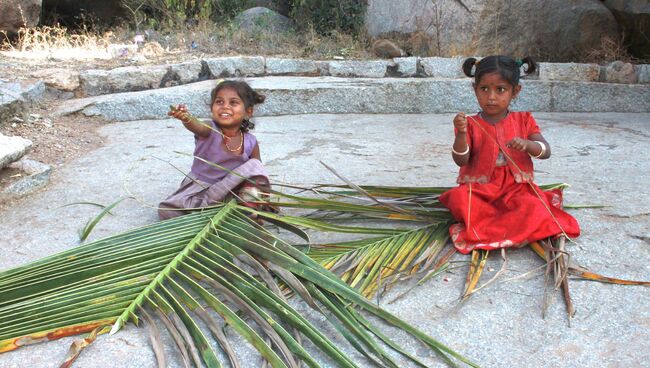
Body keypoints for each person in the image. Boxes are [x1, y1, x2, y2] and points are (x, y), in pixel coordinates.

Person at [439, 55, 580, 254]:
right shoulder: (469, 123)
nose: (491, 97)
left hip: (516, 189)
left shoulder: (524, 120)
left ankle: (501, 228)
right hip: (481, 189)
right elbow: (460, 160)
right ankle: (506, 228)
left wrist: (529, 144)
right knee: (461, 199)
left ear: (515, 91)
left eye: (501, 89)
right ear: (475, 89)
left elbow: (545, 151)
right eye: (484, 89)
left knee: (532, 206)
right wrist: (461, 134)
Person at [158, 80, 271, 220]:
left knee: (255, 165)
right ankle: (215, 215)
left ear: (248, 112)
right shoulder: (209, 129)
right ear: (212, 108)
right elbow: (196, 125)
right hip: (202, 189)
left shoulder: (250, 141)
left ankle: (248, 208)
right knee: (167, 211)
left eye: (233, 103)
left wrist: (264, 198)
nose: (225, 107)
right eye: (219, 102)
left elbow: (258, 175)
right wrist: (186, 118)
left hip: (232, 190)